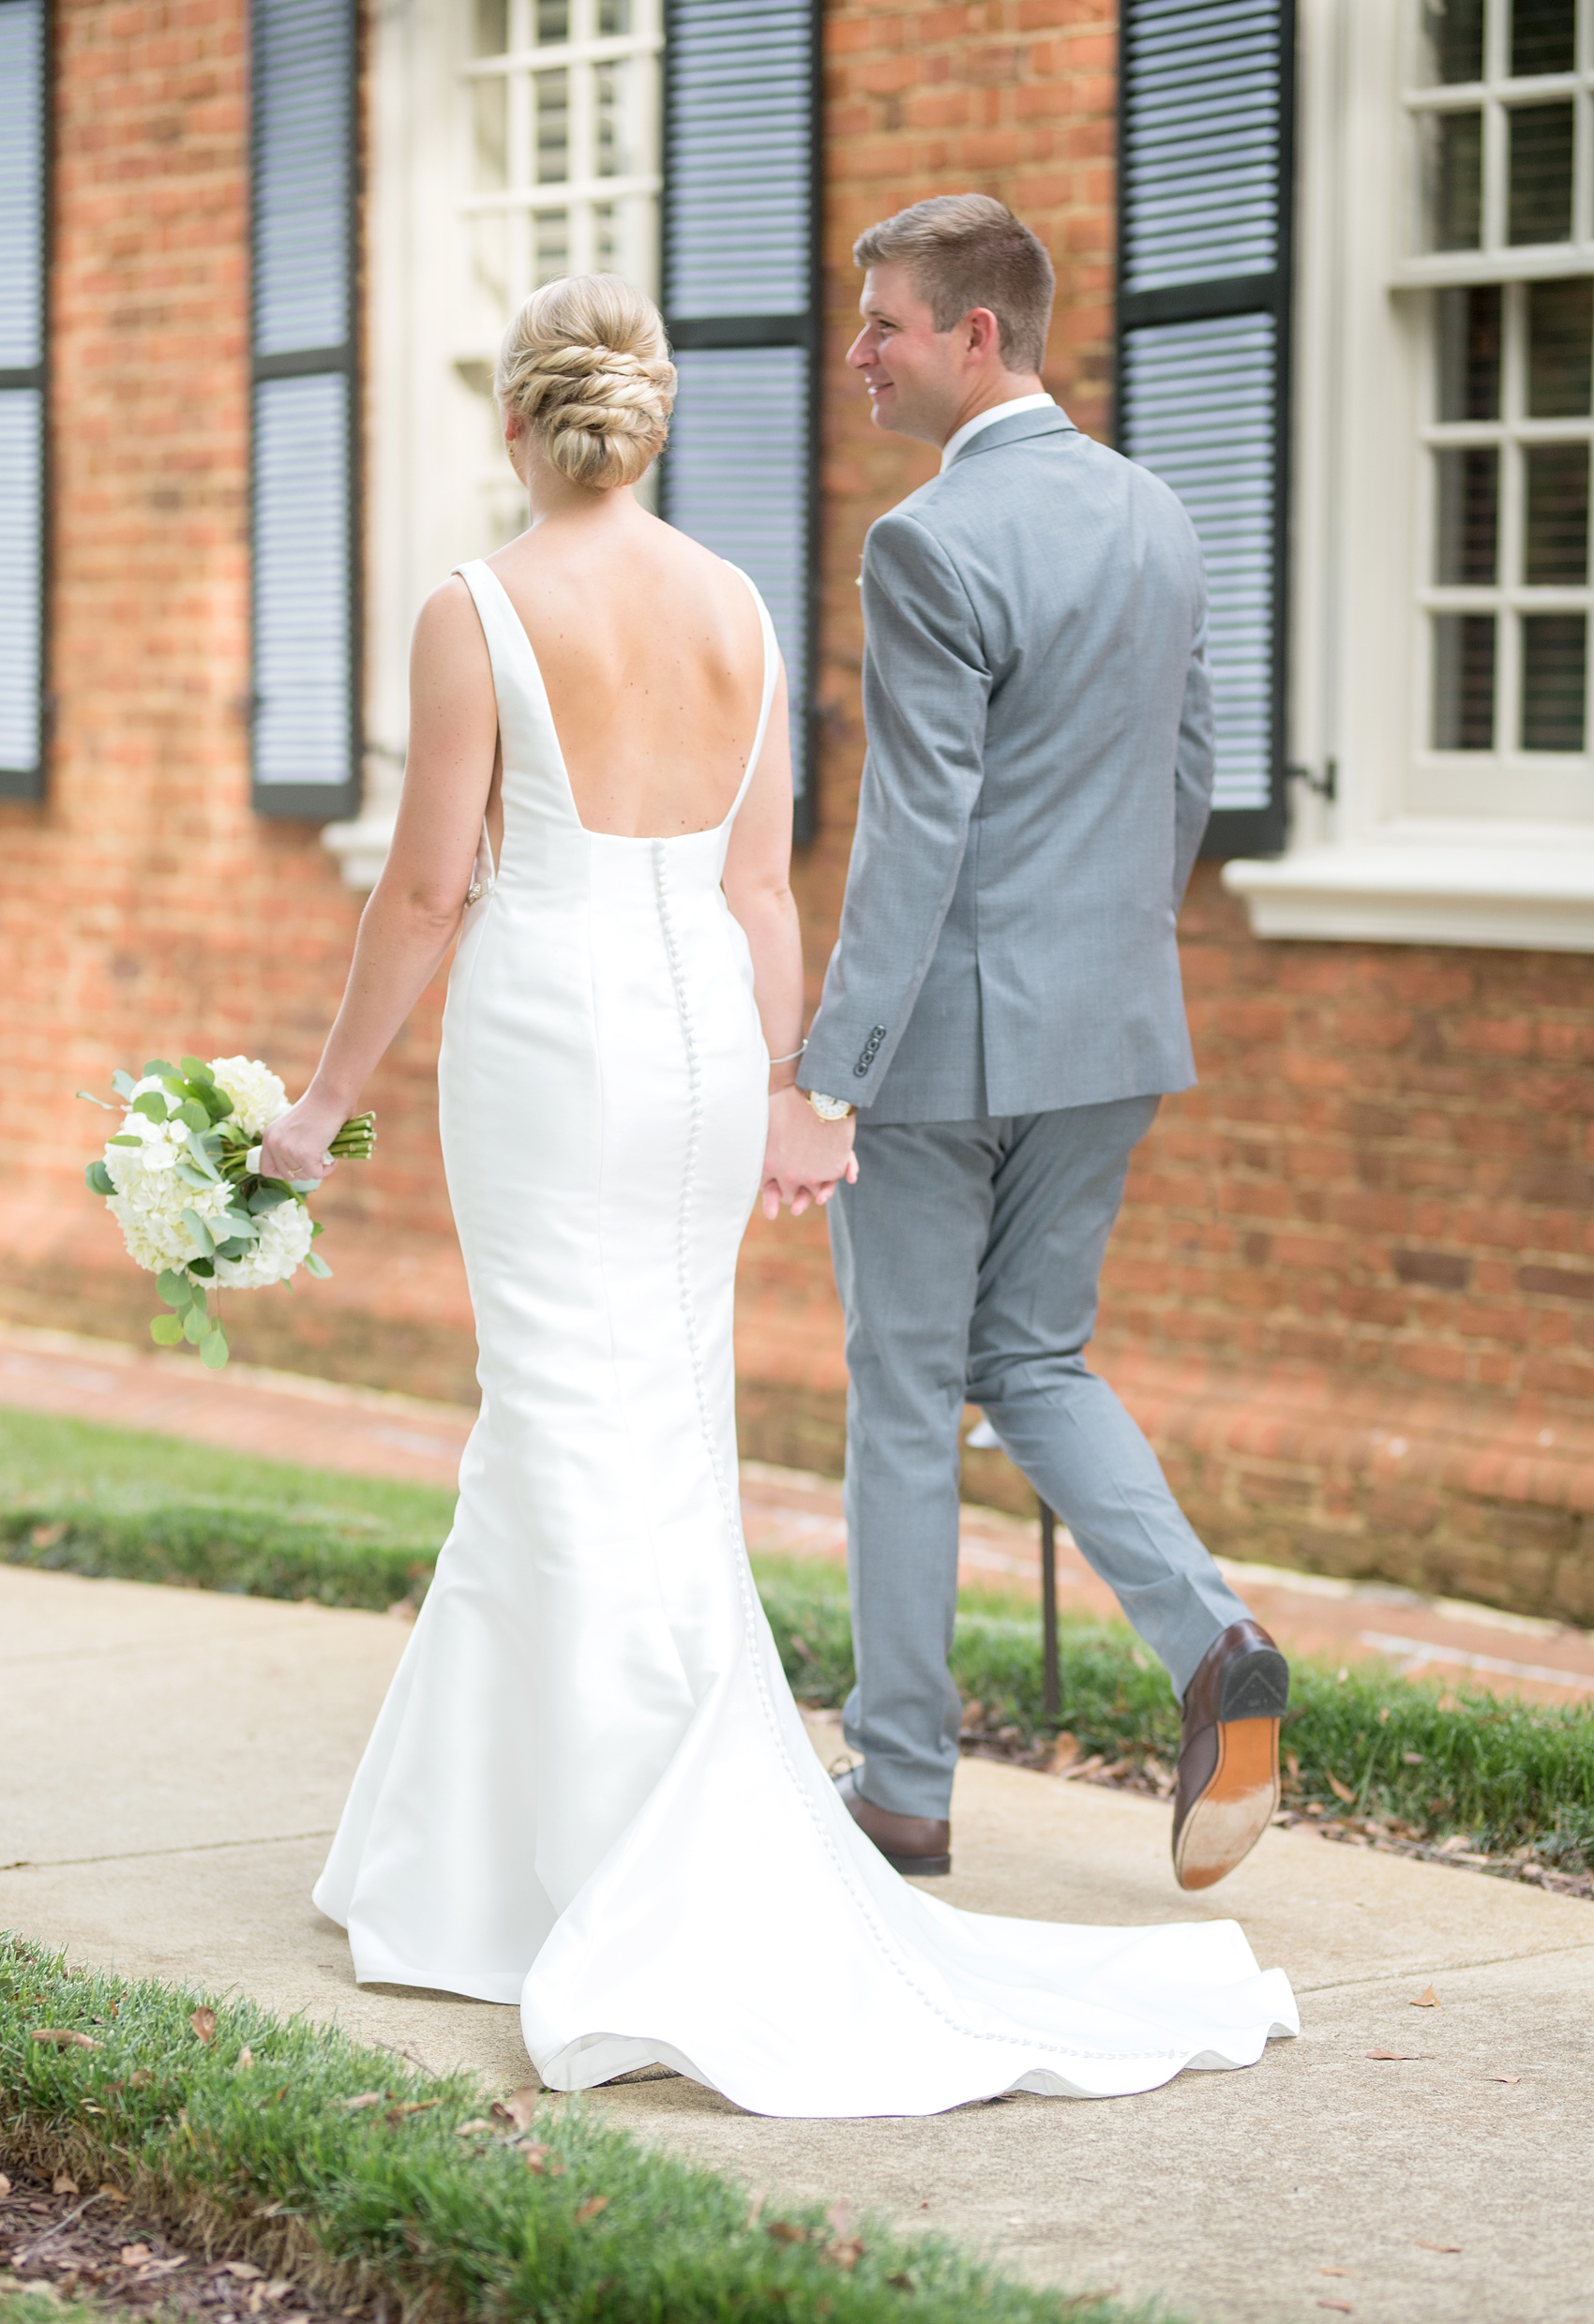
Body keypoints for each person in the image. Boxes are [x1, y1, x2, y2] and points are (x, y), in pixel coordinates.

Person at [263, 273, 1296, 2119]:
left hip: (549, 1029)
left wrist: (323, 1103)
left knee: (557, 1401)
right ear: (653, 419)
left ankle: (554, 1859)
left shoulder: (474, 607)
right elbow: (763, 887)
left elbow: (425, 893)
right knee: (648, 1404)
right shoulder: (740, 604)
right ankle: (526, 1832)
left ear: (517, 420)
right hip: (687, 1057)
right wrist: (774, 1086)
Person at [764, 195, 1291, 1895]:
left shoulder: (926, 541)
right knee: (1038, 1365)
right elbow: (1190, 775)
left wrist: (826, 1072)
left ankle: (903, 1791)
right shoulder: (1157, 515)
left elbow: (918, 827)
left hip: (943, 1055)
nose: (859, 355)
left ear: (976, 335)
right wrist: (1101, 956)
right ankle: (1217, 1651)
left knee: (908, 1399)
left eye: (884, 325)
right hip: (1118, 1025)